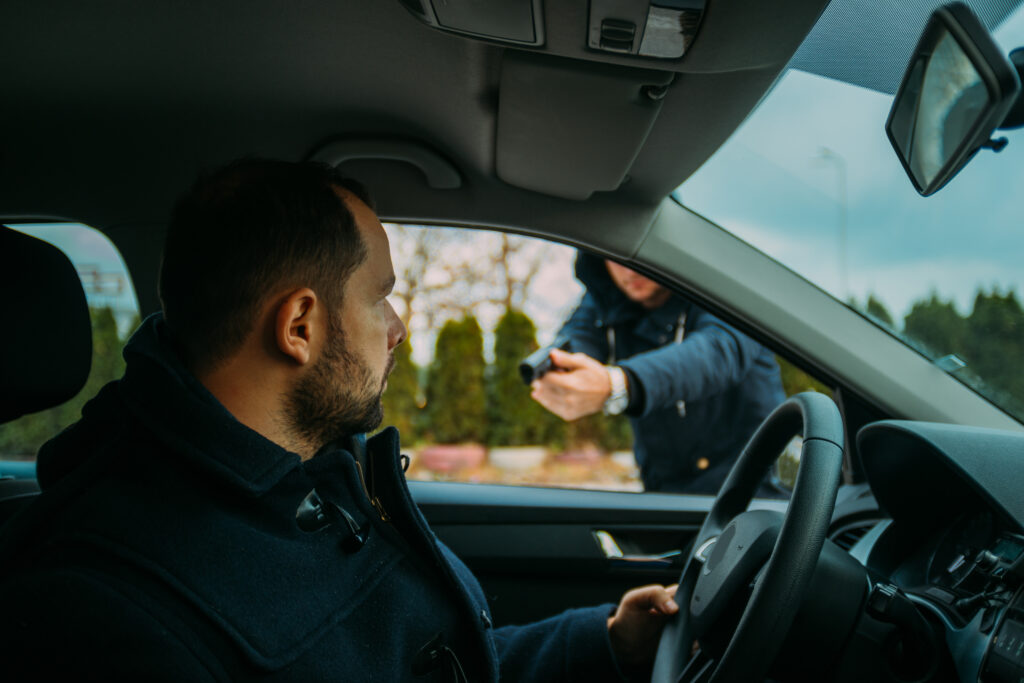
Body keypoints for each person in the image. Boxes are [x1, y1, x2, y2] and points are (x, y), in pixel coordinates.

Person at [0, 160, 678, 681]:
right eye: (379, 297)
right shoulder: (105, 614)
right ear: (299, 325)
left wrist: (605, 639)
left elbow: (422, 663)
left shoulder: (309, 484)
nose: (399, 328)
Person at [531, 253, 786, 494]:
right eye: (616, 258)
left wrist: (620, 385)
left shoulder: (720, 286)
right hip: (665, 489)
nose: (628, 270)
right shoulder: (605, 297)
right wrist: (559, 369)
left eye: (636, 255)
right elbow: (577, 338)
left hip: (751, 488)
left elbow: (718, 351)